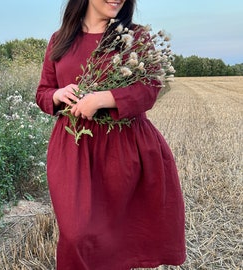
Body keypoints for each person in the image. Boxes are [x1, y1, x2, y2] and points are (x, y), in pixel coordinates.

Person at [36, 0, 186, 269]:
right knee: (76, 233)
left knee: (118, 236)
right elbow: (43, 92)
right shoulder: (59, 40)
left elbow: (150, 88)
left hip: (123, 147)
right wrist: (57, 95)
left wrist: (104, 98)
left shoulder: (135, 36)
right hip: (74, 147)